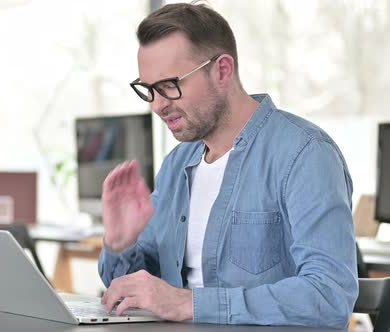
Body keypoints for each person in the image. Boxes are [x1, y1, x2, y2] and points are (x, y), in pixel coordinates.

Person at [98, 2, 358, 328]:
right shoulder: (176, 164)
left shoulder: (305, 154)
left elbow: (329, 295)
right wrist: (120, 245)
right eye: (149, 90)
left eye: (169, 86)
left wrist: (190, 303)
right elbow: (134, 292)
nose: (159, 105)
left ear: (222, 70)